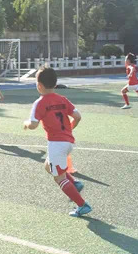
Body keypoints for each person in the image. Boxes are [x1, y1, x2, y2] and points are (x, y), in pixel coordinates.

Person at [23, 67, 91, 217]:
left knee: (59, 177)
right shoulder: (62, 99)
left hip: (56, 144)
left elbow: (33, 125)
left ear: (39, 85)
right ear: (55, 84)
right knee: (48, 166)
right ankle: (75, 184)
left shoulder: (40, 103)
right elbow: (78, 116)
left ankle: (82, 205)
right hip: (68, 142)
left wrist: (26, 123)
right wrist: (69, 129)